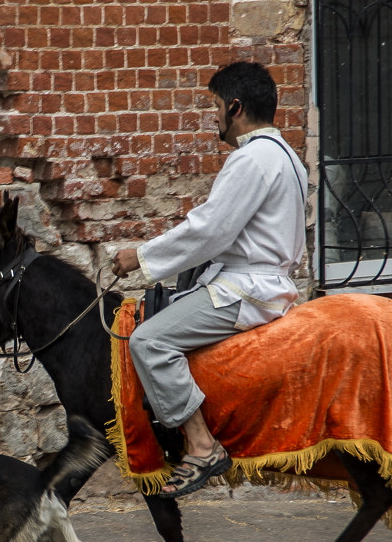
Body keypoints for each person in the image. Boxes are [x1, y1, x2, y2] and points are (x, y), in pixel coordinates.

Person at [110, 61, 307, 498]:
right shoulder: (290, 158)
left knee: (148, 341)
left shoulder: (250, 159)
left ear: (235, 107)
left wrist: (138, 257)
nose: (213, 117)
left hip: (246, 288)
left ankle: (201, 447)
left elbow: (209, 231)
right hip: (269, 282)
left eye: (216, 106)